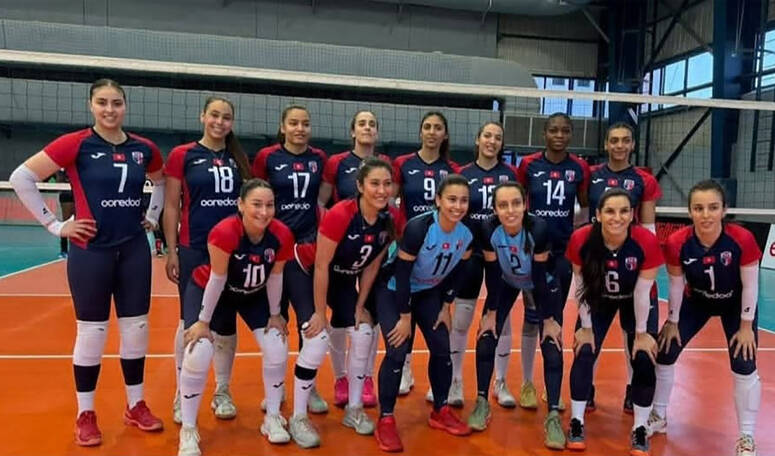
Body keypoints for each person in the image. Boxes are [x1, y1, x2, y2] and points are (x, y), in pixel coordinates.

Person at [9, 78, 165, 446]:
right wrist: (55, 225)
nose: (110, 110)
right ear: (91, 105)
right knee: (92, 333)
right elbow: (21, 177)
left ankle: (136, 404)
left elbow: (160, 183)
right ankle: (86, 413)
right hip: (91, 251)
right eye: (102, 103)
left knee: (136, 330)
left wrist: (153, 216)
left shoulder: (144, 148)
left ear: (125, 105)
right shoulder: (76, 143)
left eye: (116, 103)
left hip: (133, 250)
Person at [282, 157, 399, 448]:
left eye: (387, 184)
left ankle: (354, 409)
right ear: (360, 186)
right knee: (316, 338)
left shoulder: (390, 218)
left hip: (343, 278)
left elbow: (372, 265)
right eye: (374, 183)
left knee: (363, 332)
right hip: (305, 272)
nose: (381, 190)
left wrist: (360, 306)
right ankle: (298, 417)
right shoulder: (341, 214)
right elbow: (321, 265)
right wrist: (319, 312)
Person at [176, 178, 294, 456]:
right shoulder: (225, 232)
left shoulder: (281, 234)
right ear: (240, 205)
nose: (263, 212)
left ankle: (272, 417)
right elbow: (217, 279)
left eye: (269, 205)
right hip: (211, 290)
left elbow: (275, 277)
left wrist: (275, 314)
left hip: (253, 294)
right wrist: (203, 322)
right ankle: (188, 429)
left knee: (277, 343)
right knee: (199, 349)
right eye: (256, 204)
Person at [649, 180, 761, 456]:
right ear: (690, 212)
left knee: (744, 362)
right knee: (665, 350)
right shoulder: (677, 242)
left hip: (736, 304)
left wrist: (746, 326)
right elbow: (676, 285)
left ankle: (746, 437)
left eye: (713, 207)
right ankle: (659, 416)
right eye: (698, 208)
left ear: (724, 210)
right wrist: (672, 321)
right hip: (696, 301)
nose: (706, 214)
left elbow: (751, 285)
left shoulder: (742, 239)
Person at [163, 96, 251, 424]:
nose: (219, 122)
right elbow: (171, 205)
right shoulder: (182, 154)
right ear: (203, 116)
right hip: (195, 248)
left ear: (231, 123)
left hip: (233, 250)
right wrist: (171, 250)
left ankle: (222, 390)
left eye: (226, 117)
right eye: (214, 115)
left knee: (225, 322)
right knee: (190, 321)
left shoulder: (239, 158)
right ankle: (180, 392)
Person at [373, 174, 473, 453]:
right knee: (397, 349)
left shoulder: (465, 236)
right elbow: (402, 273)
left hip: (428, 292)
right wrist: (405, 316)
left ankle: (440, 410)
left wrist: (446, 305)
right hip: (394, 290)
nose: (457, 206)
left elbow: (459, 271)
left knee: (442, 346)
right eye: (451, 199)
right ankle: (386, 418)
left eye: (463, 200)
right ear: (438, 200)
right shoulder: (420, 228)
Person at [466, 182, 563, 451]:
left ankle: (553, 415)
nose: (510, 210)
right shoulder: (488, 229)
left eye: (516, 204)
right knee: (486, 336)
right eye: (503, 205)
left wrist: (548, 319)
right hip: (506, 281)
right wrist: (491, 312)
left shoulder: (538, 228)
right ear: (495, 209)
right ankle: (482, 401)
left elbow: (540, 278)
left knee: (552, 343)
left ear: (525, 205)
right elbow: (492, 272)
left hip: (541, 284)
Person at [564, 188, 663, 456]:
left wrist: (641, 334)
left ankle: (640, 428)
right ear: (597, 214)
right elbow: (581, 287)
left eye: (623, 211)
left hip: (635, 299)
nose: (616, 217)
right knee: (584, 350)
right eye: (609, 211)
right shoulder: (582, 239)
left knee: (643, 356)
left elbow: (642, 293)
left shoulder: (645, 241)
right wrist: (586, 328)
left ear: (632, 215)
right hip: (599, 298)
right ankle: (576, 421)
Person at [252, 105, 329, 413]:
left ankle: (307, 384)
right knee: (276, 317)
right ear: (283, 127)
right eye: (294, 123)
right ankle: (277, 386)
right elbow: (256, 195)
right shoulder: (267, 157)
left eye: (305, 123)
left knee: (307, 319)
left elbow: (323, 200)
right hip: (274, 247)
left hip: (306, 248)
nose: (300, 128)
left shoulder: (319, 158)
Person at [442, 122, 521, 408]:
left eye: (497, 137)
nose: (492, 141)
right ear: (477, 140)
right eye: (487, 135)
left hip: (502, 255)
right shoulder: (463, 174)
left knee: (502, 319)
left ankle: (501, 382)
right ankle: (455, 381)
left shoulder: (510, 175)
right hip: (470, 254)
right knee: (461, 319)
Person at [587, 122, 662, 412]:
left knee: (634, 333)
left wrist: (646, 261)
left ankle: (633, 389)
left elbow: (649, 226)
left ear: (632, 144)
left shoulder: (644, 180)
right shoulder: (591, 175)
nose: (619, 145)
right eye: (614, 140)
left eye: (625, 140)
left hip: (631, 263)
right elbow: (585, 214)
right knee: (591, 332)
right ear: (606, 144)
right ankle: (586, 387)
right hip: (598, 261)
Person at [517, 112, 590, 410]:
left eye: (565, 131)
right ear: (544, 133)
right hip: (532, 251)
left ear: (571, 134)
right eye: (554, 130)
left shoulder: (579, 167)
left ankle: (552, 387)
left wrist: (576, 237)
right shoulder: (529, 165)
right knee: (532, 316)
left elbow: (584, 207)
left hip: (562, 253)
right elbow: (518, 203)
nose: (559, 135)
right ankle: (526, 383)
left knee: (555, 318)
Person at [319, 110, 390, 409]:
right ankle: (341, 378)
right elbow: (322, 200)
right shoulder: (337, 162)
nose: (367, 128)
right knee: (341, 317)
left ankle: (366, 376)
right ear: (352, 131)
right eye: (362, 123)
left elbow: (387, 203)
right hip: (342, 248)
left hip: (371, 247)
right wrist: (333, 229)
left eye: (372, 124)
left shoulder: (385, 165)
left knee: (370, 318)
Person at [391, 111, 460, 396]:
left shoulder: (452, 168)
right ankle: (405, 369)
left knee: (435, 315)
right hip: (410, 247)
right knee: (405, 306)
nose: (432, 132)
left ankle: (440, 380)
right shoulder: (403, 163)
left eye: (438, 128)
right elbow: (391, 201)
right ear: (420, 132)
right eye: (427, 127)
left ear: (445, 134)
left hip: (439, 250)